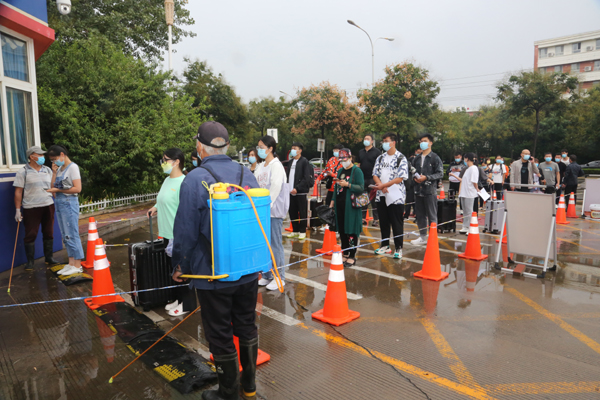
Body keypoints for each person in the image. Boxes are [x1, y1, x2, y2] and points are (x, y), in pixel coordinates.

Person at [171, 121, 260, 400]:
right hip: (247, 269)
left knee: (220, 333)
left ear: (199, 146)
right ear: (227, 145)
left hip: (212, 274)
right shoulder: (247, 174)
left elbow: (185, 231)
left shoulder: (195, 178)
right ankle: (249, 388)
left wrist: (181, 266)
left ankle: (227, 393)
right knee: (246, 324)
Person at [147, 148, 195, 317]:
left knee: (182, 270)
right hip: (167, 233)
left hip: (179, 234)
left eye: (165, 160)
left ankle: (187, 304)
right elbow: (163, 199)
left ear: (177, 162)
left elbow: (187, 210)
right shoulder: (167, 180)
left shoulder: (184, 182)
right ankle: (178, 299)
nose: (163, 163)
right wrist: (155, 207)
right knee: (173, 269)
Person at [13, 146, 59, 270]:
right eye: (39, 155)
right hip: (31, 207)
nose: (42, 157)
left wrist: (55, 173)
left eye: (42, 155)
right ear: (31, 157)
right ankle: (30, 262)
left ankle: (49, 258)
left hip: (48, 205)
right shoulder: (23, 172)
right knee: (31, 234)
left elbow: (53, 186)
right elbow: (18, 191)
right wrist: (17, 210)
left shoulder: (47, 170)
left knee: (49, 232)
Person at [254, 136, 289, 291]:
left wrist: (268, 204)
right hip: (261, 211)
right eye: (258, 147)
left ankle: (279, 277)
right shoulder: (261, 166)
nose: (259, 150)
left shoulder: (276, 166)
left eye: (262, 147)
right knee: (264, 244)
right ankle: (267, 274)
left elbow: (275, 187)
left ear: (270, 149)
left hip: (272, 211)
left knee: (274, 244)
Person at [46, 145, 85, 276]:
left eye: (54, 159)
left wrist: (58, 190)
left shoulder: (73, 167)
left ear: (62, 155)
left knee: (72, 233)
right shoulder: (60, 169)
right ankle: (71, 263)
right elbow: (53, 187)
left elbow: (77, 188)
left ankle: (77, 265)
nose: (54, 162)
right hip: (59, 202)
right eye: (52, 160)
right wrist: (54, 173)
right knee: (65, 234)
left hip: (69, 202)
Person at [371, 133, 408, 259]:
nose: (384, 143)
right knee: (384, 222)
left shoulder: (401, 158)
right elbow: (375, 174)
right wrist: (380, 185)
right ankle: (385, 245)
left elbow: (400, 178)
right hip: (381, 194)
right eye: (383, 141)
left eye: (386, 141)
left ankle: (398, 247)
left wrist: (384, 185)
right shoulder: (380, 158)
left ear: (393, 142)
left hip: (396, 196)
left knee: (397, 222)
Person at [330, 149, 364, 267]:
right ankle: (345, 252)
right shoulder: (340, 171)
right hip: (340, 205)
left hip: (351, 206)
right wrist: (332, 202)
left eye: (345, 159)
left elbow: (361, 187)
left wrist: (348, 185)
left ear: (350, 158)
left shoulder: (356, 171)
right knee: (342, 230)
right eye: (341, 160)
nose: (343, 162)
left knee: (351, 230)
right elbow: (336, 188)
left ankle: (352, 255)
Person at [410, 134, 444, 246]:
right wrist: (415, 178)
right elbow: (412, 172)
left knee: (432, 215)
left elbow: (440, 173)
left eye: (425, 141)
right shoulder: (416, 158)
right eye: (421, 141)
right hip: (418, 191)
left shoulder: (435, 158)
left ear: (430, 143)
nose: (422, 143)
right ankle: (422, 237)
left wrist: (427, 177)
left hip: (430, 191)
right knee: (420, 216)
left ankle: (433, 237)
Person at [285, 142, 313, 240]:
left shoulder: (304, 162)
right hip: (290, 191)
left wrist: (297, 188)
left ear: (300, 150)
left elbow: (306, 178)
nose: (293, 150)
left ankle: (302, 231)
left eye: (295, 148)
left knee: (302, 211)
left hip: (300, 192)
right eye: (292, 148)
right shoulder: (291, 162)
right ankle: (295, 230)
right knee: (292, 211)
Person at [357, 134, 382, 227]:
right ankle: (363, 218)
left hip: (373, 178)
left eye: (368, 139)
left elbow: (380, 165)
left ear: (372, 141)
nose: (366, 140)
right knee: (363, 199)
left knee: (374, 200)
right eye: (365, 138)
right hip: (363, 178)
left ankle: (376, 219)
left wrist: (378, 179)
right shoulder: (361, 152)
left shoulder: (377, 152)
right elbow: (359, 164)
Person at [318, 143, 344, 219]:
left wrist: (332, 174)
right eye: (334, 150)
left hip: (340, 188)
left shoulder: (343, 161)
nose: (335, 151)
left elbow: (343, 175)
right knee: (328, 205)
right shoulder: (331, 160)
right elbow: (326, 171)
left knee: (338, 207)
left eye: (337, 150)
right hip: (331, 188)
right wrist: (319, 178)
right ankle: (329, 222)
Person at [458, 153, 480, 234]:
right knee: (465, 211)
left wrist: (477, 189)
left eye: (465, 158)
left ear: (467, 159)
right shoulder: (468, 168)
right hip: (464, 193)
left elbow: (474, 181)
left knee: (469, 211)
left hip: (470, 193)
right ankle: (465, 226)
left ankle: (471, 227)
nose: (464, 160)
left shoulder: (474, 168)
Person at [403, 147, 421, 219]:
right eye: (418, 152)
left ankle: (416, 214)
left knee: (417, 200)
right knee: (409, 199)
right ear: (415, 151)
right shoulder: (410, 160)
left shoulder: (423, 160)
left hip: (419, 181)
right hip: (411, 182)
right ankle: (406, 214)